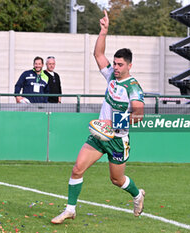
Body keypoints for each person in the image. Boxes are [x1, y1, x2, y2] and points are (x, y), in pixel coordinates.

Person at [51, 10, 145, 224]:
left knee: (116, 179)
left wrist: (113, 123)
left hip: (118, 139)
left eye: (121, 65)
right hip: (99, 134)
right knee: (77, 168)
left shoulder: (134, 88)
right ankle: (70, 209)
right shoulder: (111, 75)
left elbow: (138, 115)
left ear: (130, 65)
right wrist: (103, 32)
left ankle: (137, 195)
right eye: (115, 63)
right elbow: (98, 55)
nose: (116, 68)